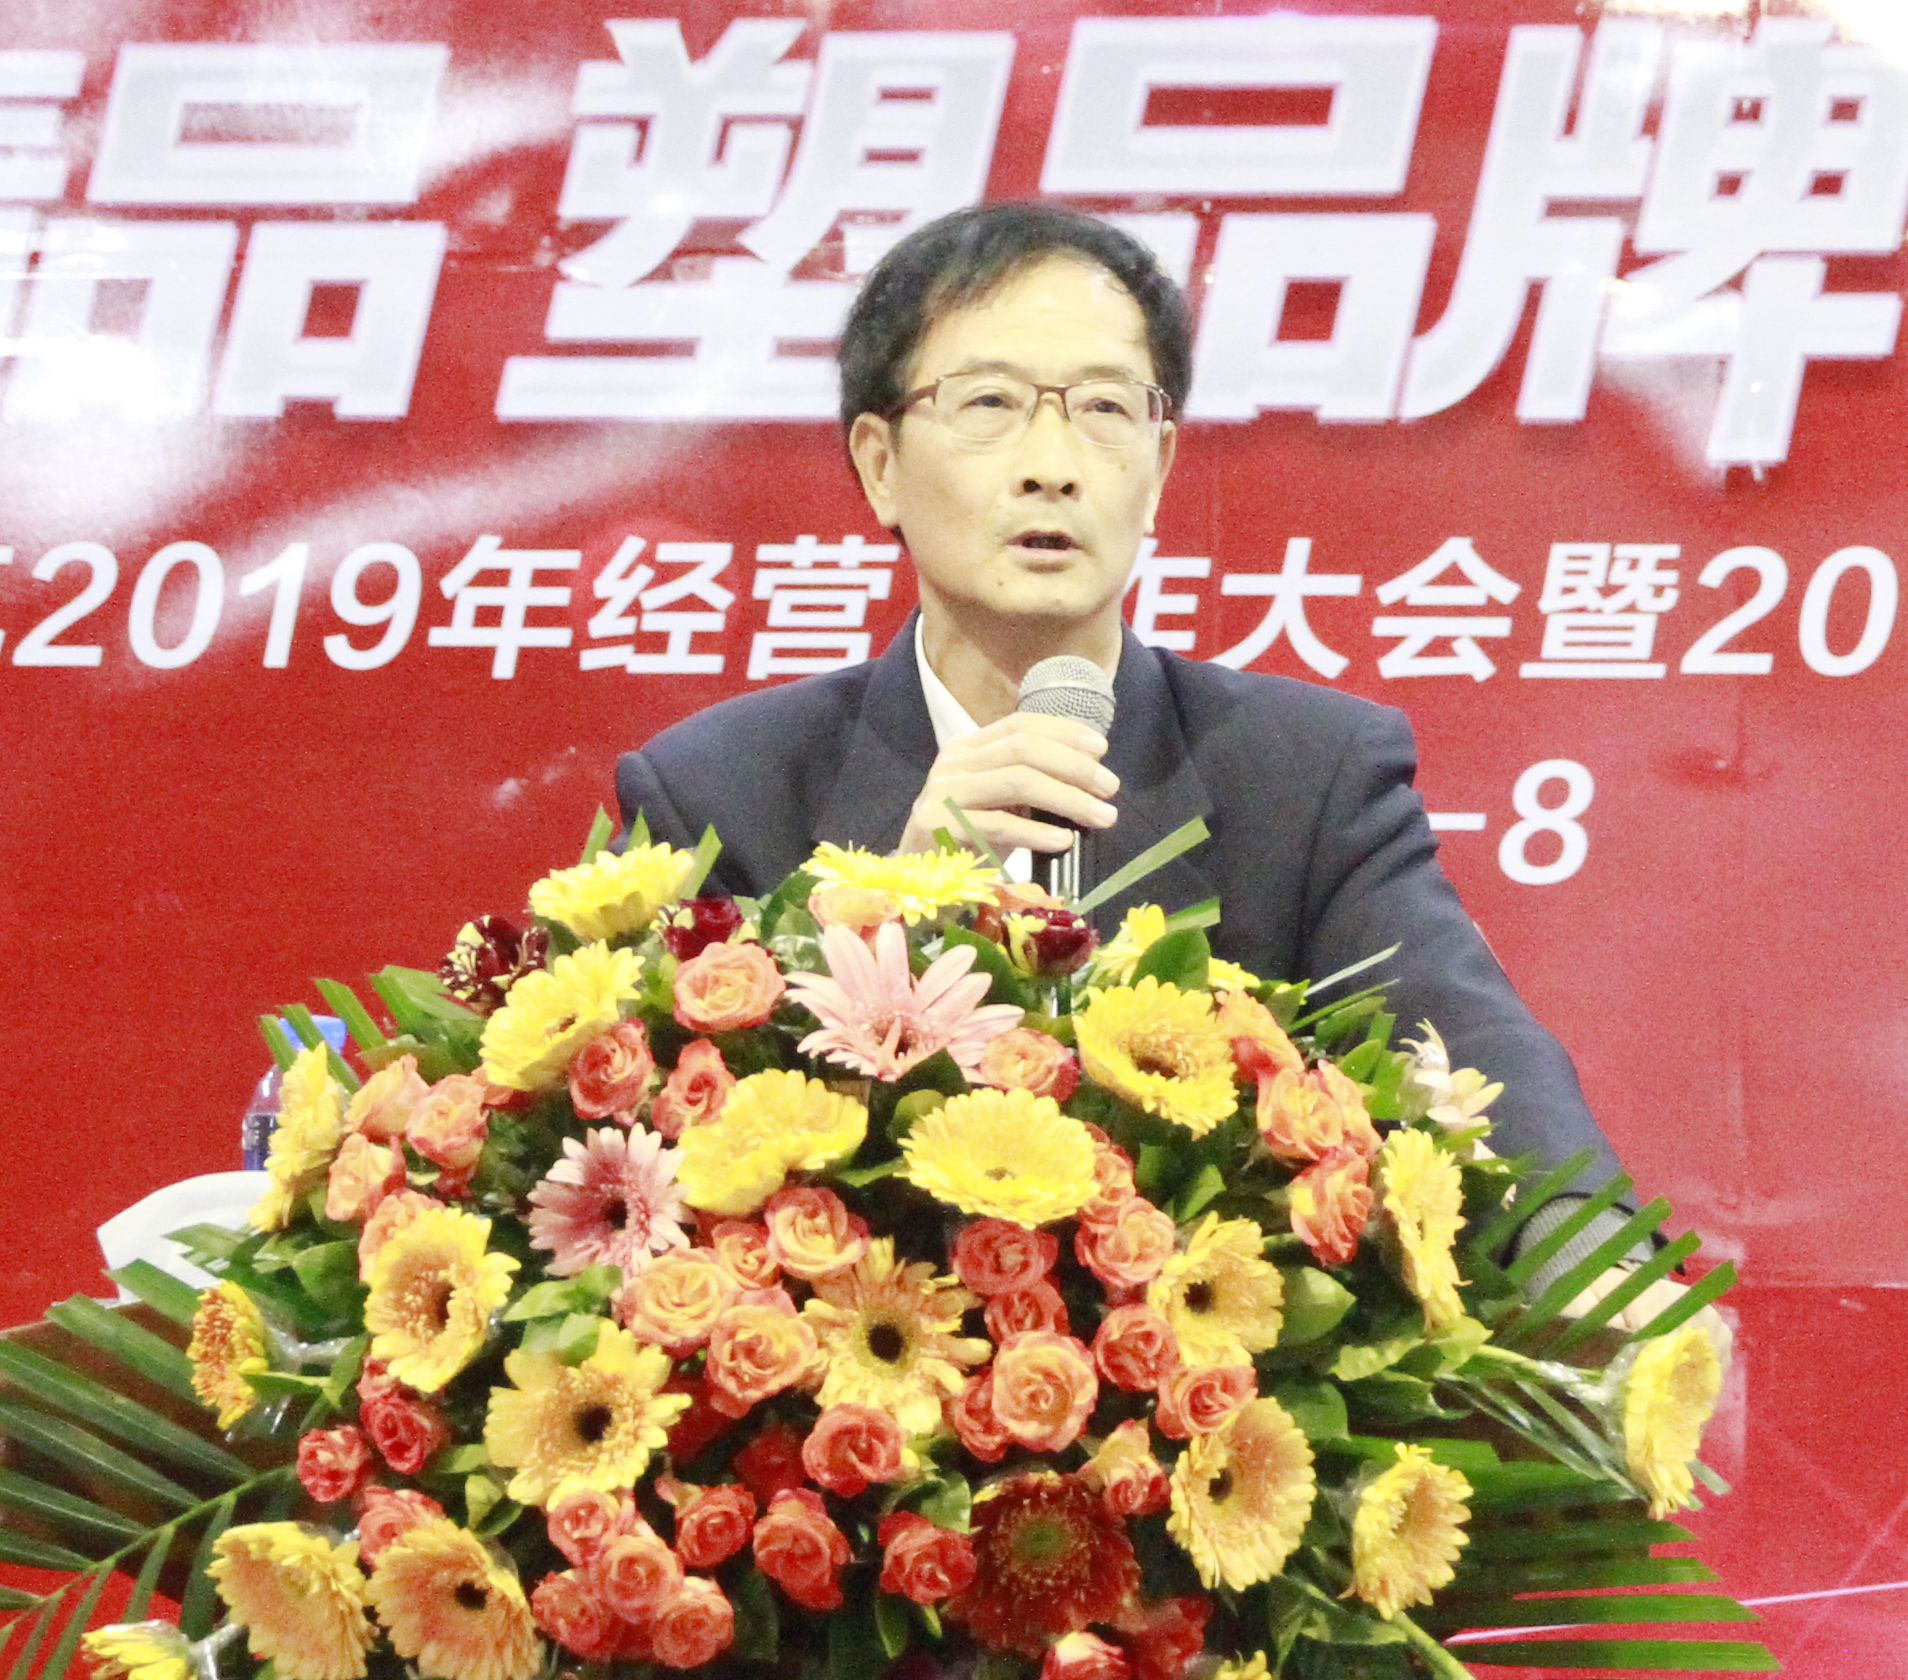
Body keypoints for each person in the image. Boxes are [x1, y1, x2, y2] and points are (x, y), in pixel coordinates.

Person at [616, 202, 1692, 1324]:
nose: (1052, 467)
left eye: (1103, 409)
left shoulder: (1304, 776)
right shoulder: (718, 792)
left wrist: (1596, 1270)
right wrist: (891, 914)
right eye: (989, 405)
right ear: (880, 466)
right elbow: (672, 1163)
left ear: (1162, 463)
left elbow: (1468, 1046)